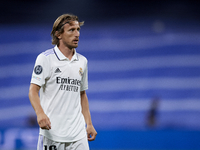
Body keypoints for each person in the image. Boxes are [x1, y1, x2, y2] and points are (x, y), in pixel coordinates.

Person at [28, 14, 97, 150]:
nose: (77, 34)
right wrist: (40, 113)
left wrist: (88, 123)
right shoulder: (45, 59)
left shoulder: (82, 61)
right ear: (58, 34)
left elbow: (82, 94)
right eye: (71, 30)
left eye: (78, 30)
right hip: (52, 133)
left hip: (78, 135)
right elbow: (33, 90)